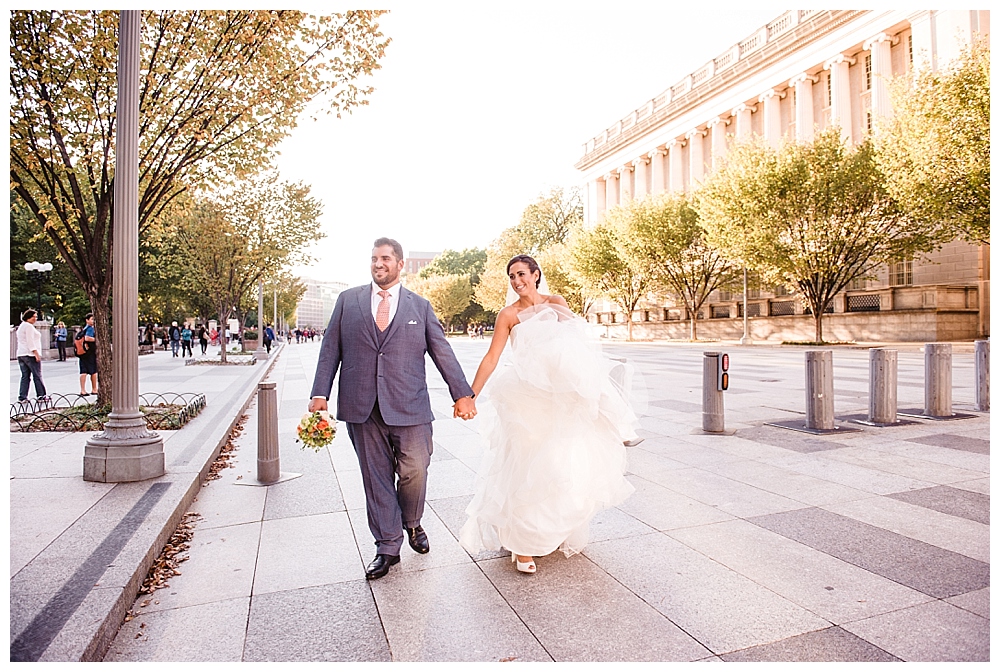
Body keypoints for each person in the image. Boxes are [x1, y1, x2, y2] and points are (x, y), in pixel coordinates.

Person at [309, 237, 477, 581]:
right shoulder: (348, 301)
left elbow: (442, 351)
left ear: (400, 264)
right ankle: (387, 545)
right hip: (361, 406)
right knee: (376, 478)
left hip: (410, 404)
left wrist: (462, 394)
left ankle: (412, 522)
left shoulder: (421, 307)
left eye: (385, 258)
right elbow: (330, 350)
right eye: (373, 258)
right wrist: (319, 393)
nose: (378, 263)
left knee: (416, 468)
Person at [458, 255, 638, 574]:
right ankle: (522, 546)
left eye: (522, 274)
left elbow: (577, 349)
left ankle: (545, 527)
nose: (517, 281)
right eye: (512, 276)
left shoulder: (557, 303)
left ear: (536, 275)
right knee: (525, 466)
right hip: (525, 398)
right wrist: (469, 395)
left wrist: (587, 390)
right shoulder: (508, 315)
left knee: (560, 465)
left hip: (559, 396)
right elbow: (491, 358)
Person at [16, 309, 49, 403]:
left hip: (21, 353)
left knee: (25, 376)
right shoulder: (29, 327)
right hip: (30, 354)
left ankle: (22, 396)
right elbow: (30, 341)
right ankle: (41, 395)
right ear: (28, 317)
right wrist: (36, 353)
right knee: (37, 375)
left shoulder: (21, 326)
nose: (35, 318)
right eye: (33, 317)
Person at [78, 313, 98, 396]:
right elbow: (87, 338)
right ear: (87, 320)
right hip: (89, 353)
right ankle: (94, 389)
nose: (93, 321)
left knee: (83, 371)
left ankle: (83, 390)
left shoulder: (84, 329)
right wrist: (97, 339)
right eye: (92, 319)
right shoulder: (90, 329)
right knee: (93, 371)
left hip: (83, 353)